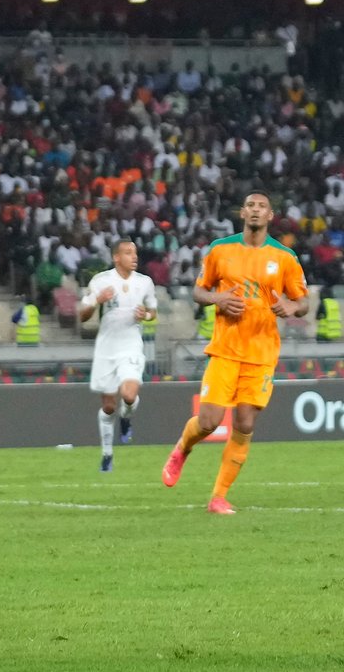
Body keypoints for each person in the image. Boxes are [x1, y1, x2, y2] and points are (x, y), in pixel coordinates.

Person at [162, 192, 309, 514]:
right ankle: (182, 447)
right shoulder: (220, 250)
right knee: (209, 421)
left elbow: (304, 301)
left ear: (270, 216)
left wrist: (292, 306)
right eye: (251, 206)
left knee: (244, 422)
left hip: (262, 352)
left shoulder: (284, 257)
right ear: (243, 212)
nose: (256, 211)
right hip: (226, 348)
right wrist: (218, 300)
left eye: (262, 207)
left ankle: (218, 496)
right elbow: (199, 291)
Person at [78, 240, 157, 473]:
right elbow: (82, 316)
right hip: (106, 348)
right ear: (116, 258)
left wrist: (147, 315)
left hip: (131, 345)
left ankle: (127, 416)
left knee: (129, 394)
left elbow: (153, 311)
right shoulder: (101, 281)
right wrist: (96, 301)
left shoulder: (145, 283)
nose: (134, 257)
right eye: (128, 253)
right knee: (109, 406)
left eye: (135, 252)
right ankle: (107, 454)